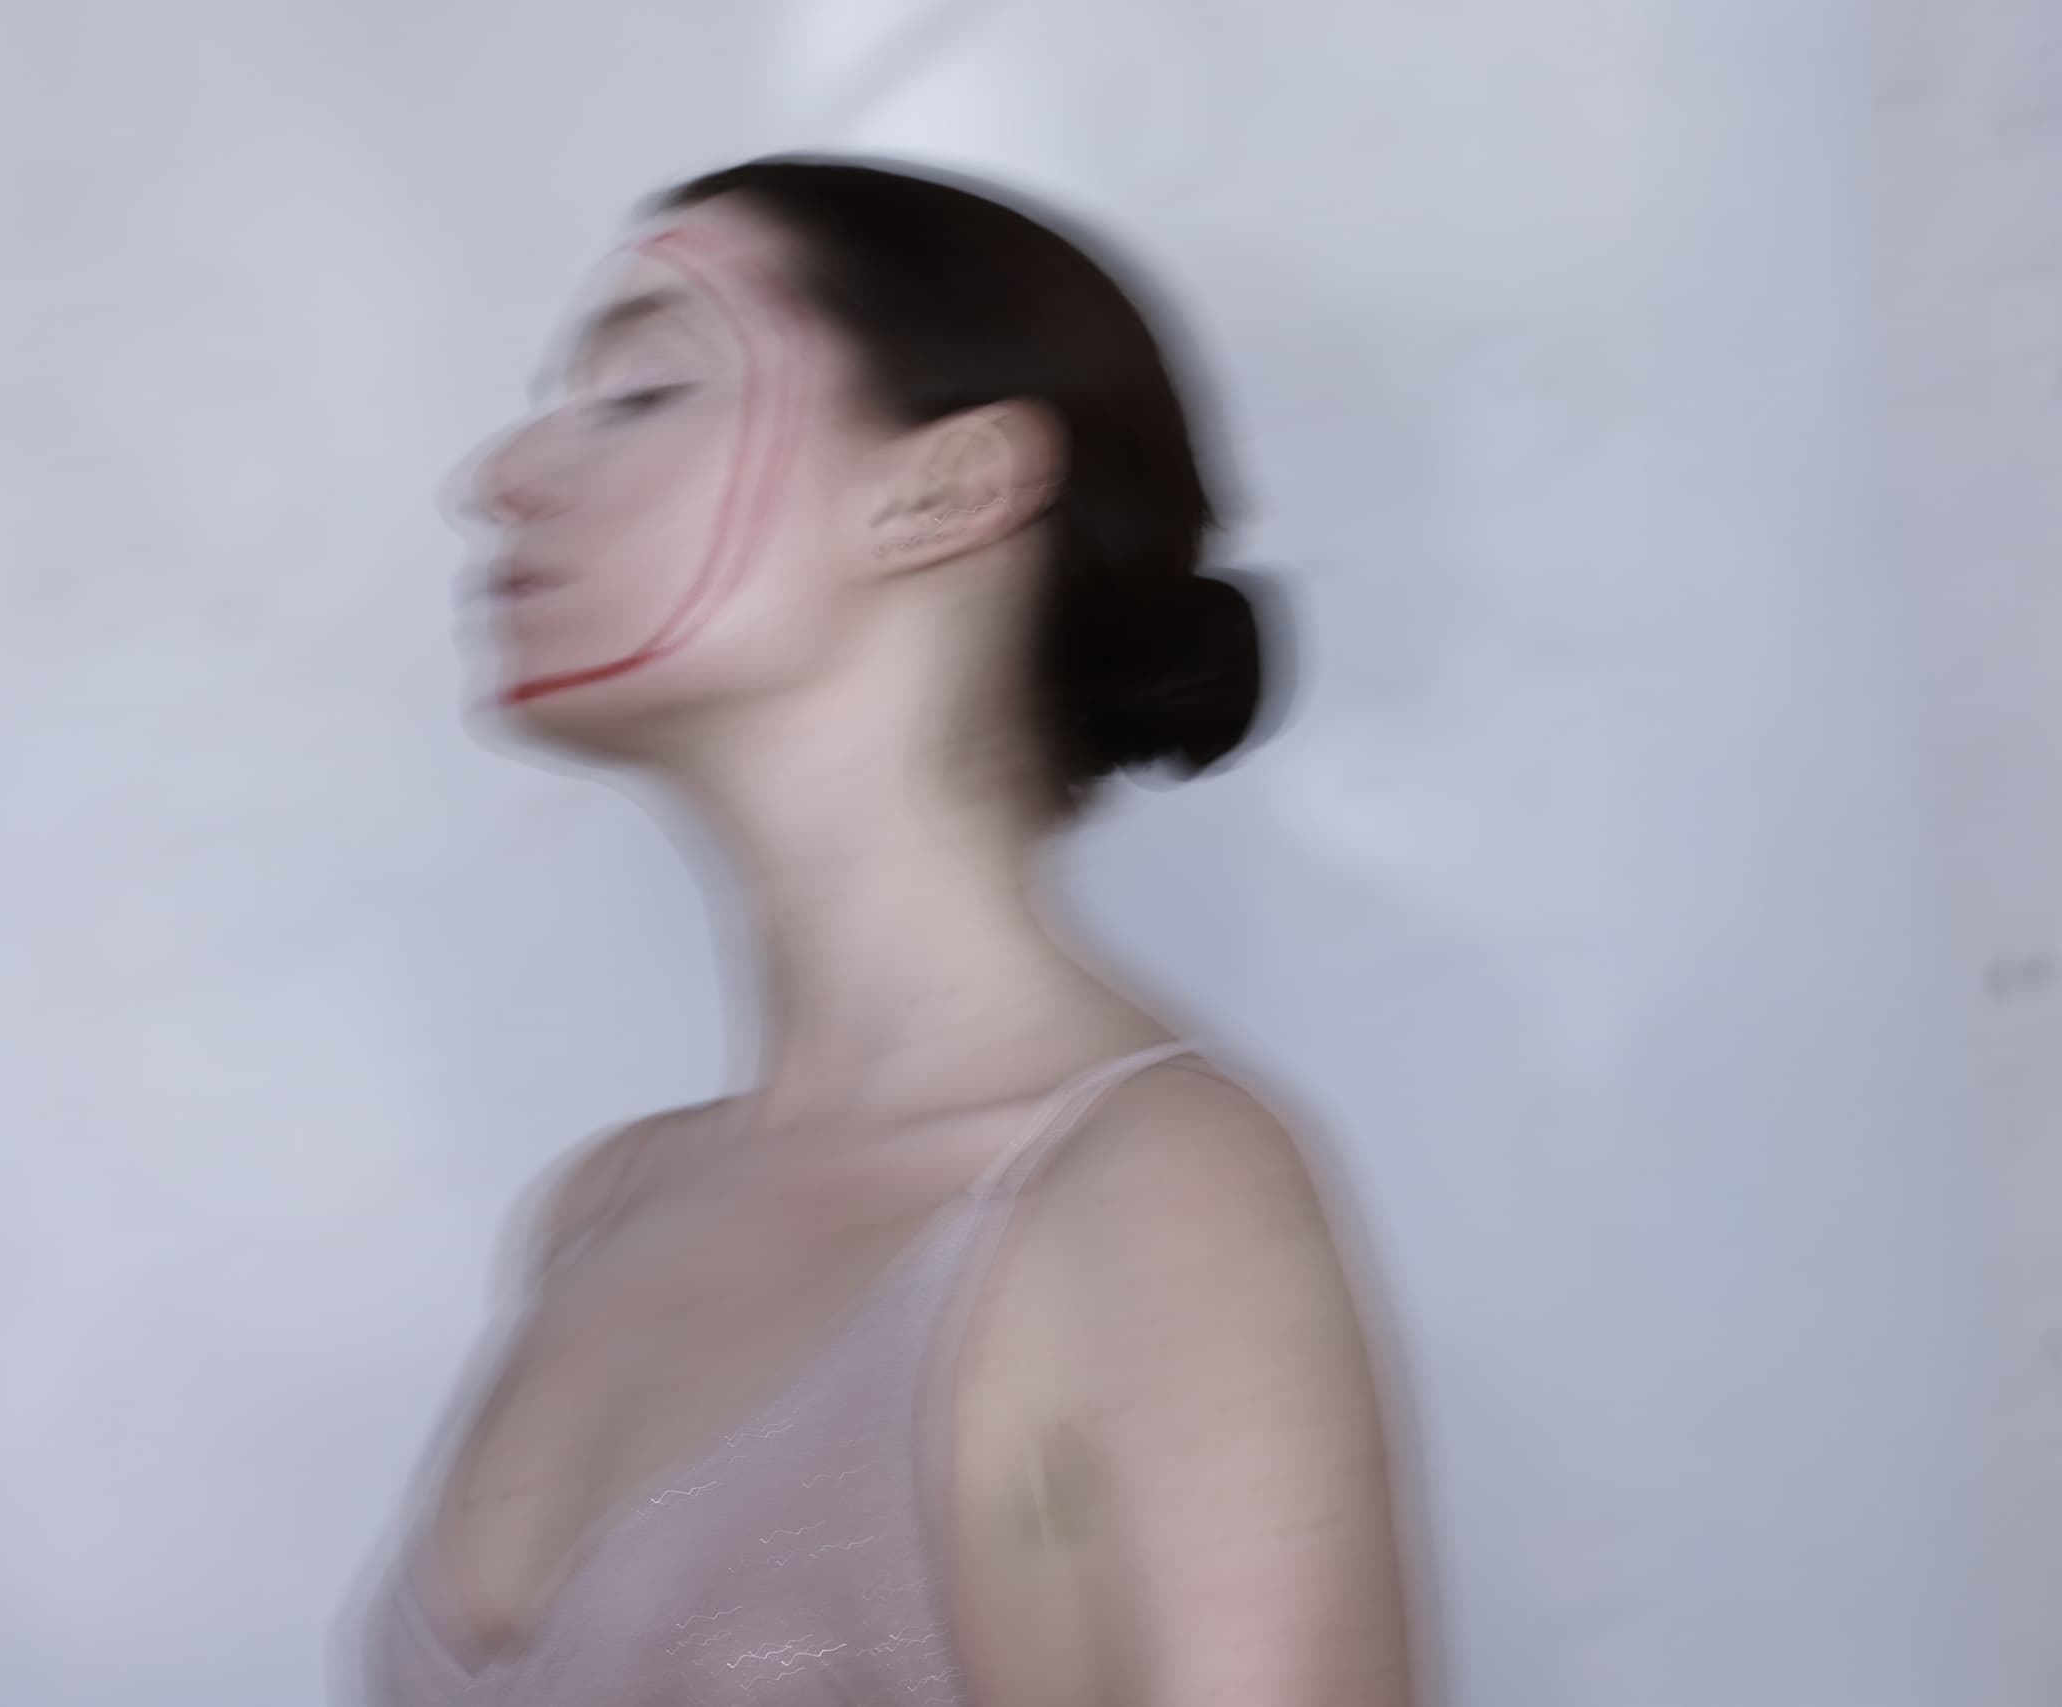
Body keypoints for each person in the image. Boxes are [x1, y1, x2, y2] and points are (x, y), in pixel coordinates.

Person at [347, 154, 1414, 1707]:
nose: (496, 477)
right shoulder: (597, 1211)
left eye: (641, 390)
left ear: (945, 489)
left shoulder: (1156, 1196)